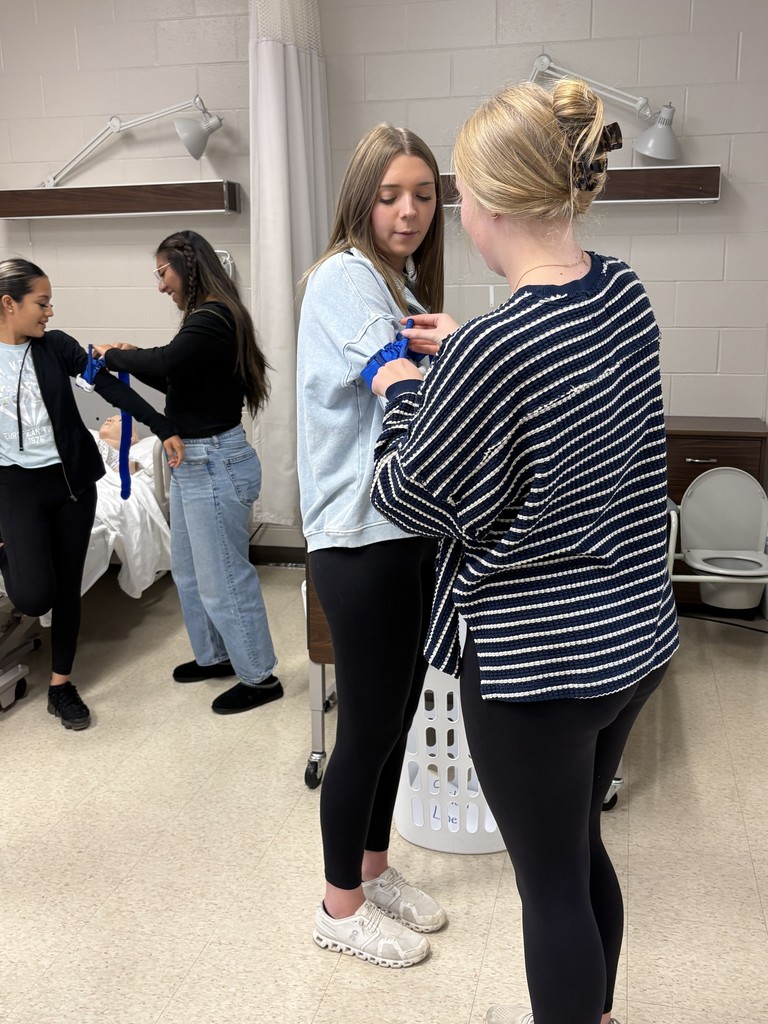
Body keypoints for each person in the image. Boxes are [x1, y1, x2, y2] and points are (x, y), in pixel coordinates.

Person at [367, 82, 680, 1023]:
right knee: (578, 853)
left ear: (487, 205)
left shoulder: (492, 351)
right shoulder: (621, 287)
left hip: (536, 667)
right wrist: (463, 360)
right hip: (632, 642)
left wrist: (400, 390)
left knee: (548, 888)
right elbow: (570, 410)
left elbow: (406, 496)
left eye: (453, 193)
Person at [296, 123, 448, 970]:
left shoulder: (395, 280)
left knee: (392, 718)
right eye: (391, 194)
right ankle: (337, 906)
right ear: (361, 196)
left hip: (401, 529)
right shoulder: (347, 279)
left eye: (423, 194)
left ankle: (372, 866)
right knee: (365, 727)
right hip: (359, 536)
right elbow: (400, 386)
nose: (409, 210)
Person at [93, 230, 280, 716]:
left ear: (187, 264)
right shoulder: (206, 319)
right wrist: (131, 355)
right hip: (196, 463)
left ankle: (260, 678)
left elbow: (169, 361)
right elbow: (176, 372)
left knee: (223, 577)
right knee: (191, 572)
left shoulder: (214, 316)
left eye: (163, 273)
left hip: (214, 462)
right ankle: (216, 656)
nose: (161, 286)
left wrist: (112, 355)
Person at [0, 257, 184, 731]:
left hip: (71, 484)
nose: (50, 313)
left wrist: (161, 427)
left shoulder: (55, 348)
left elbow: (110, 390)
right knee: (34, 594)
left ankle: (61, 686)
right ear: (8, 304)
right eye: (41, 303)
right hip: (15, 486)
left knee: (66, 588)